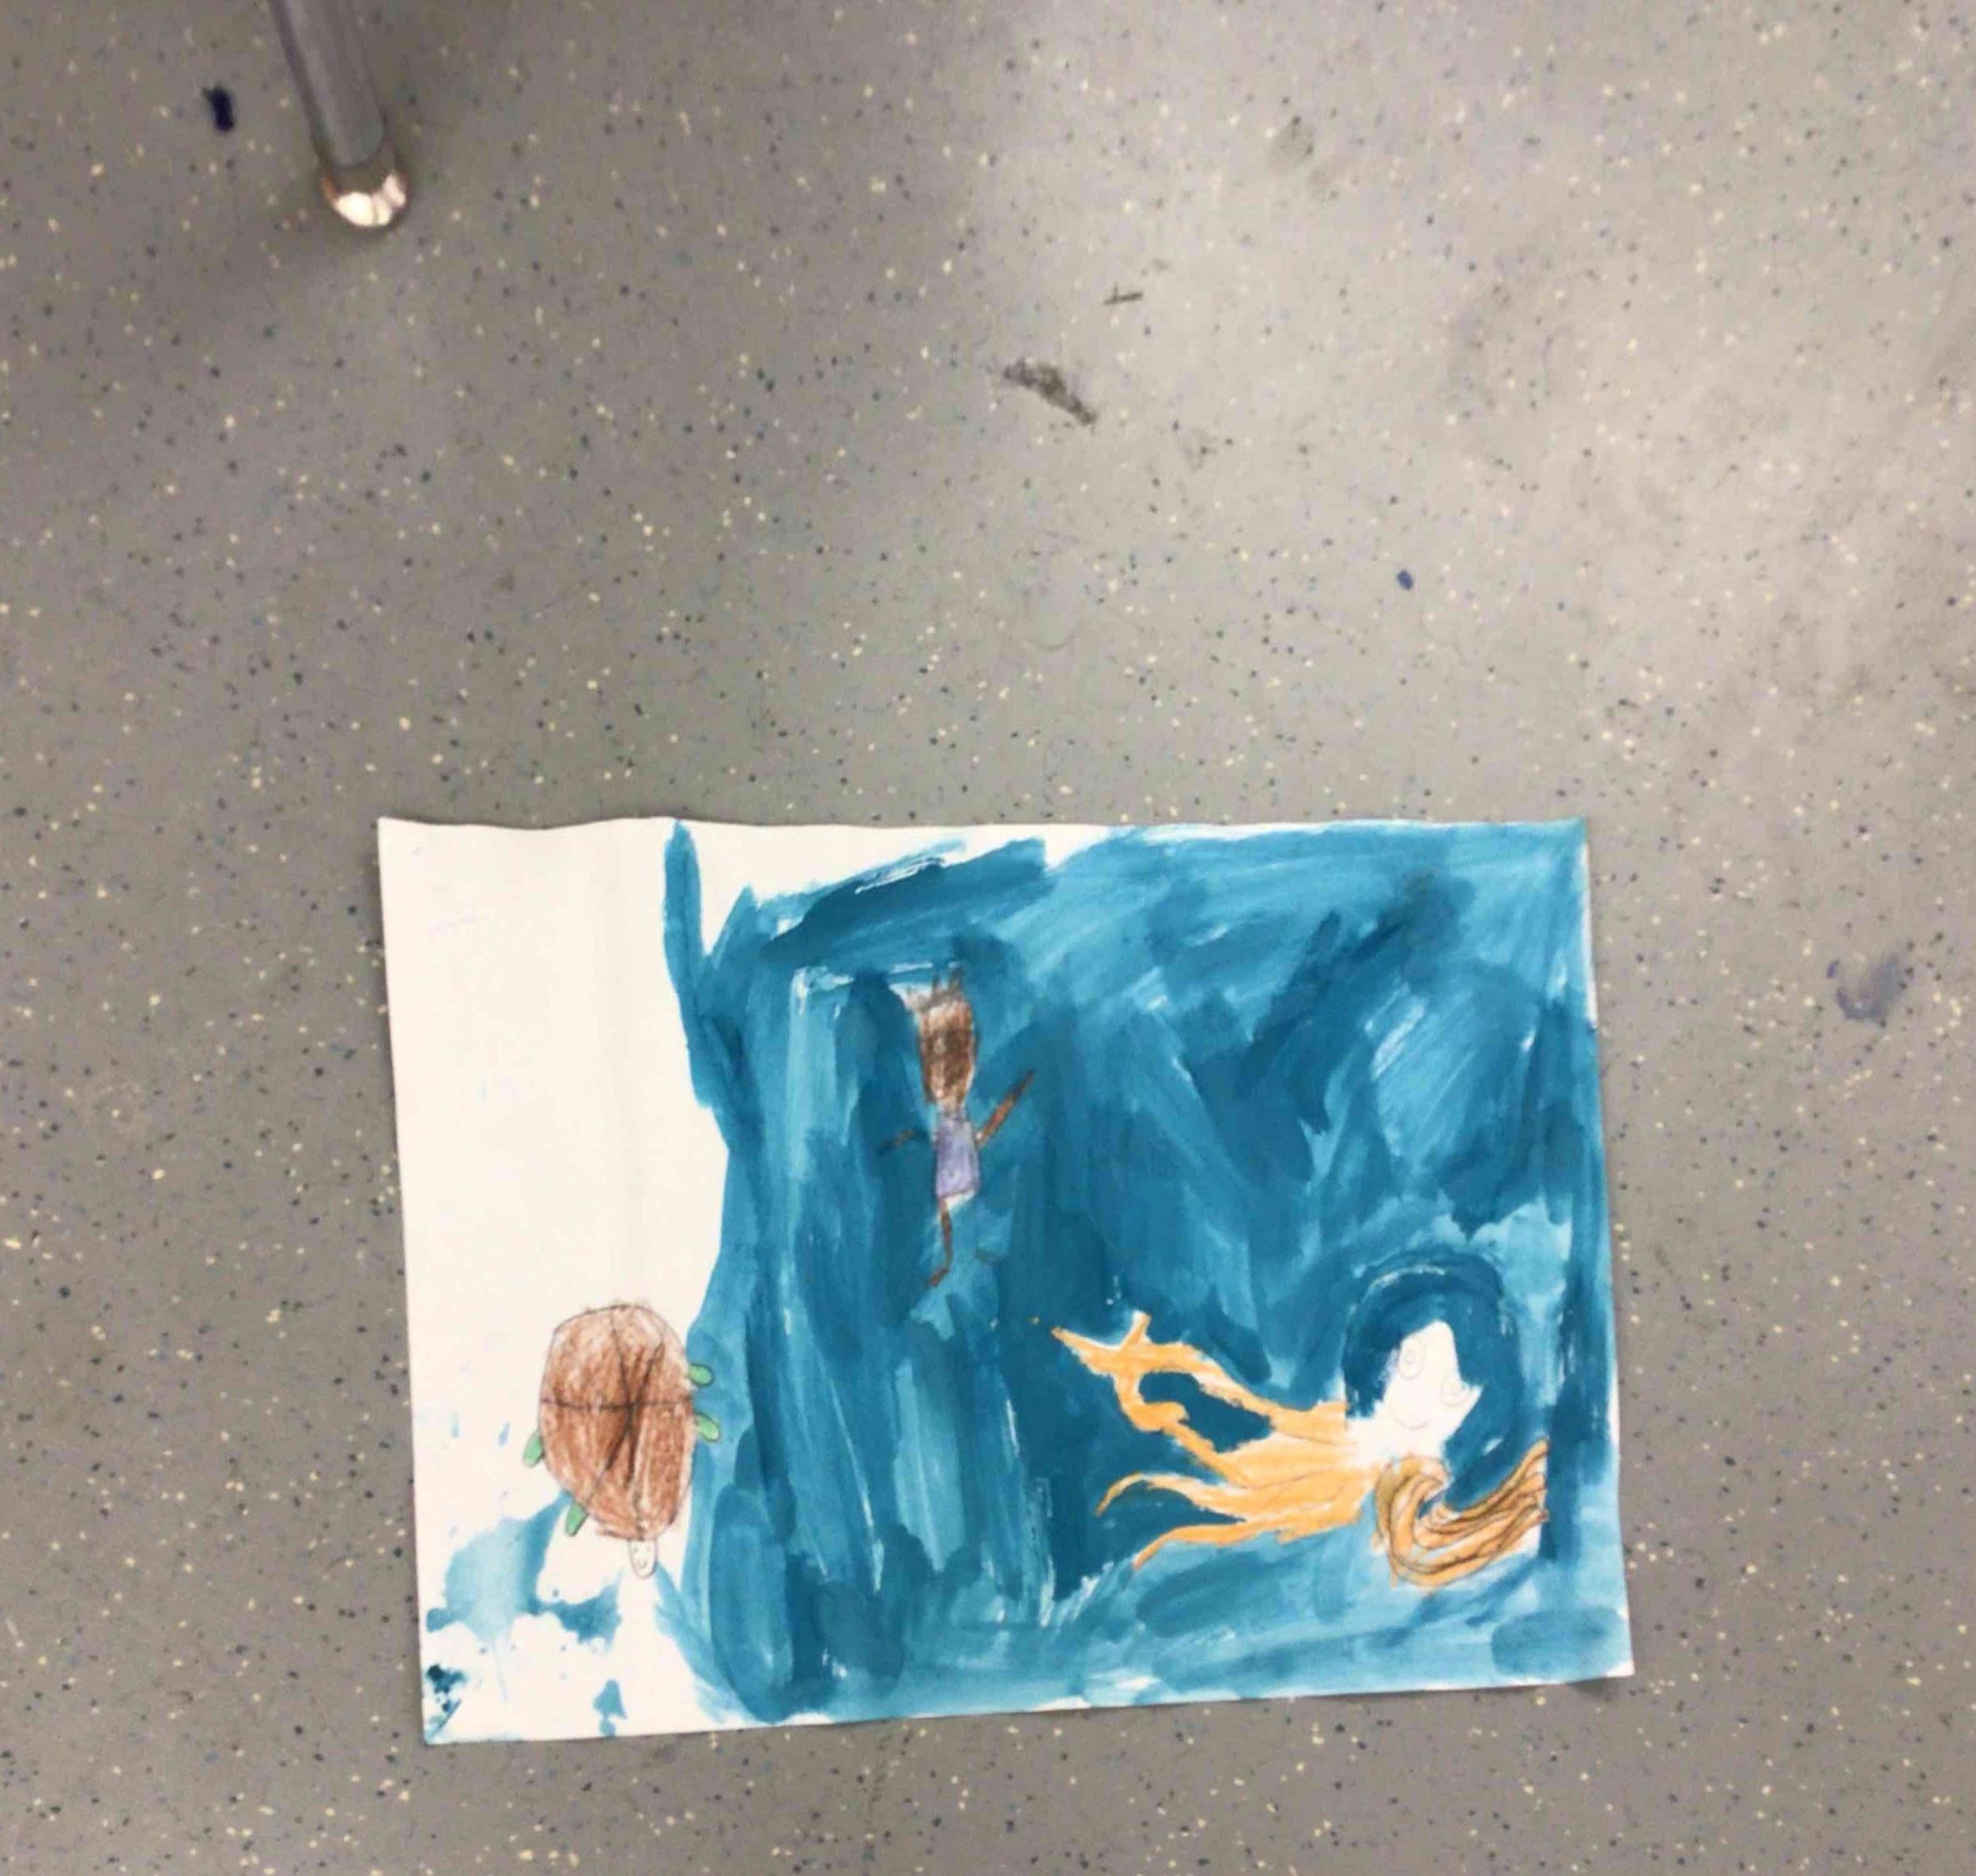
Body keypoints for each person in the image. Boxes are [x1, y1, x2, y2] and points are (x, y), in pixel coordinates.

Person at [1054, 1305, 1546, 1583]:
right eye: (1405, 1356)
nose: (1401, 1371)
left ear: (1466, 1396)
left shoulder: (1409, 1513)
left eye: (1419, 1364)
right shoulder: (1337, 1438)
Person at [892, 978, 1032, 1285]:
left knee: (945, 1064)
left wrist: (1014, 1095)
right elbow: (988, 1126)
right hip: (952, 1128)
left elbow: (986, 1127)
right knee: (947, 1064)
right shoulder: (957, 1177)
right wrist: (1015, 1095)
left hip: (951, 1128)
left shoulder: (954, 1183)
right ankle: (939, 1013)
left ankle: (938, 1014)